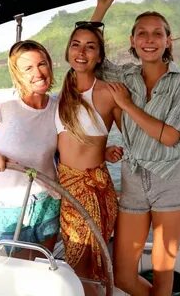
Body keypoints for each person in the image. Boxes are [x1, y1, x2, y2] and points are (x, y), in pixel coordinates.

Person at [91, 0, 180, 296]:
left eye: (157, 33)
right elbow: (94, 58)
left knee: (164, 279)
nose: (149, 39)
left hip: (171, 178)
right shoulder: (126, 75)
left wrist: (127, 105)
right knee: (123, 275)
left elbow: (170, 136)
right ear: (133, 40)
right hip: (133, 178)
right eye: (142, 33)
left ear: (168, 41)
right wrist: (102, 6)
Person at [0, 40, 61, 260]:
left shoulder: (58, 106)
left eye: (42, 64)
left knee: (44, 266)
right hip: (10, 204)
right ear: (17, 74)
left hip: (49, 199)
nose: (38, 73)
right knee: (14, 271)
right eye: (28, 68)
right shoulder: (2, 101)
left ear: (50, 66)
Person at [55, 21, 123, 294]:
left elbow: (135, 136)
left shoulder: (108, 93)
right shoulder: (61, 92)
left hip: (94, 191)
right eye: (76, 44)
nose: (82, 52)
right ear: (68, 51)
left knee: (89, 267)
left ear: (100, 56)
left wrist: (176, 140)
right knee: (74, 265)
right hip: (65, 190)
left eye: (90, 47)